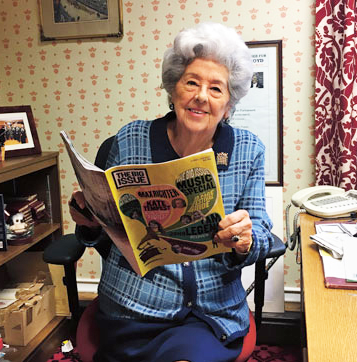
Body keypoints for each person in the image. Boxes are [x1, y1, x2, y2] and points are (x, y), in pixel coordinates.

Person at [70, 22, 273, 362]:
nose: (201, 96)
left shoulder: (248, 150)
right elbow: (105, 234)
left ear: (228, 104)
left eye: (216, 89)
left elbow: (264, 236)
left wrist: (246, 241)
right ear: (174, 88)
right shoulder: (130, 139)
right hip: (134, 306)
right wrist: (89, 221)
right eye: (191, 82)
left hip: (210, 314)